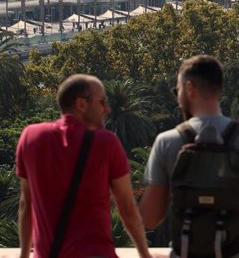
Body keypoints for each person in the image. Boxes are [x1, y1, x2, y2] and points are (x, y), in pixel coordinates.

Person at [139, 54, 239, 257]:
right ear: (219, 89)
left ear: (189, 88)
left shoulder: (167, 141)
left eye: (178, 90)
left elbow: (149, 217)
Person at [16, 74, 152, 258]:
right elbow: (127, 207)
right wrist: (145, 254)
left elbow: (26, 204)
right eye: (102, 102)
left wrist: (24, 255)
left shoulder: (30, 137)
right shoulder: (106, 142)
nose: (107, 109)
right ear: (81, 104)